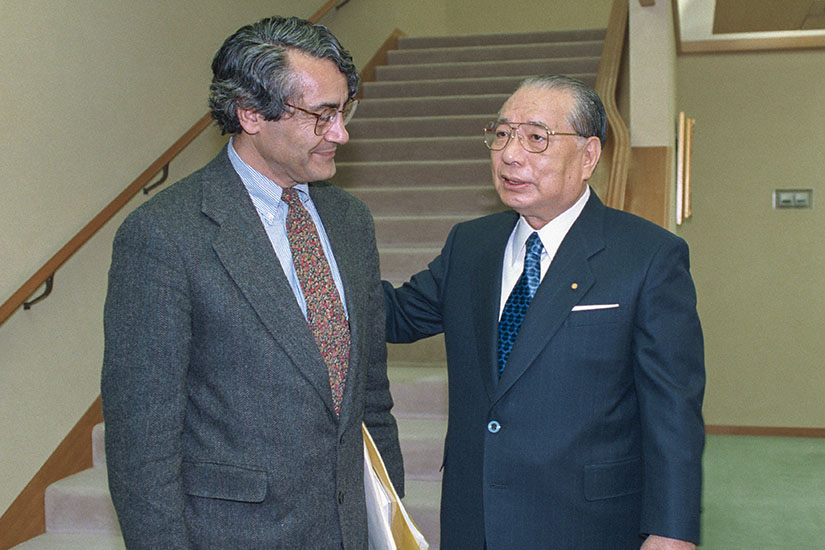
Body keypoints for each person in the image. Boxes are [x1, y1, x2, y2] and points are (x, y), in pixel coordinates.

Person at [101, 15, 403, 549]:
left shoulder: (351, 221)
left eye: (343, 110)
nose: (341, 133)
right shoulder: (165, 234)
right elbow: (142, 444)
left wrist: (388, 523)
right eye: (322, 115)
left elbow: (371, 399)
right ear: (250, 114)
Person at [383, 75, 705, 549]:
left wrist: (672, 531)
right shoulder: (471, 245)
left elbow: (673, 411)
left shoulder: (648, 255)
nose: (510, 154)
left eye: (536, 137)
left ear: (589, 156)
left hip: (585, 523)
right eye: (502, 134)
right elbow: (393, 315)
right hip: (475, 519)